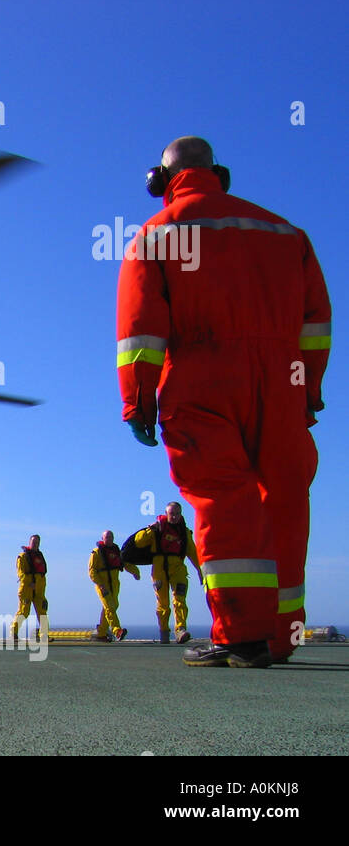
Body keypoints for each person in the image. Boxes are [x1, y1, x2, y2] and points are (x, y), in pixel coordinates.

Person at [118, 136, 328, 668]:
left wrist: (139, 403)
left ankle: (239, 635)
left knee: (223, 500)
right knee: (284, 501)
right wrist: (306, 391)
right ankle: (282, 637)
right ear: (221, 173)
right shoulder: (286, 233)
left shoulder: (156, 235)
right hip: (282, 383)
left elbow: (140, 333)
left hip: (202, 378)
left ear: (161, 181)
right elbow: (316, 326)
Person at [133, 502, 202, 644]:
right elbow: (138, 542)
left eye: (177, 513)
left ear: (181, 514)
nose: (175, 516)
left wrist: (200, 572)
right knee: (163, 603)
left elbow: (193, 553)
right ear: (166, 514)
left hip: (178, 567)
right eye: (172, 514)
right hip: (159, 568)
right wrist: (150, 529)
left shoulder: (184, 532)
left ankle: (180, 629)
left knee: (180, 599)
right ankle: (164, 632)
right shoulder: (157, 529)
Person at [89, 530, 140, 642]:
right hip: (103, 584)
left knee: (113, 606)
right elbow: (92, 571)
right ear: (102, 538)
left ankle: (101, 633)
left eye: (111, 536)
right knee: (110, 607)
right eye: (107, 537)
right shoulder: (96, 553)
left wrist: (135, 572)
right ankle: (117, 631)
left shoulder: (117, 552)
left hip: (115, 584)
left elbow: (125, 564)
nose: (109, 539)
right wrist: (100, 584)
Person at [10, 535, 49, 642]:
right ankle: (14, 631)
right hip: (27, 588)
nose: (35, 544)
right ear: (29, 542)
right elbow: (21, 573)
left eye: (37, 542)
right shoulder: (22, 557)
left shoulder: (40, 556)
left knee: (42, 612)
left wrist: (39, 584)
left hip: (39, 589)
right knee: (24, 612)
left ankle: (44, 635)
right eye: (34, 542)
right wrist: (30, 582)